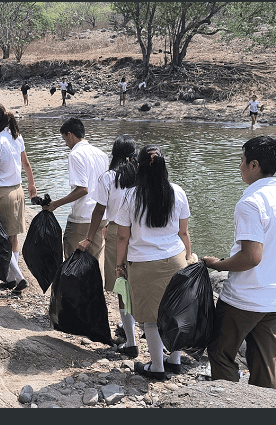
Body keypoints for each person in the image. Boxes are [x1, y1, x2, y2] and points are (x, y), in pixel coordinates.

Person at [202, 136, 276, 389]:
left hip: (245, 296)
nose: (240, 166)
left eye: (242, 161)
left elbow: (251, 257)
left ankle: (233, 403)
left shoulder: (250, 203)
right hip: (275, 296)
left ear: (254, 164)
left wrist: (218, 264)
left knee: (219, 351)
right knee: (264, 360)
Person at [114, 144, 197, 380]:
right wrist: (189, 257)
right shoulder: (177, 192)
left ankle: (157, 367)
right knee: (176, 313)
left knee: (150, 318)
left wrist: (120, 266)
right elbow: (184, 233)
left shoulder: (131, 196)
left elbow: (122, 236)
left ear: (139, 167)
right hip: (176, 260)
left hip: (143, 264)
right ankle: (175, 360)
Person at [76, 135, 138, 349]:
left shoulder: (108, 178)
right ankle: (137, 328)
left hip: (116, 233)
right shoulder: (142, 176)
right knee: (138, 283)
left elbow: (99, 209)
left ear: (115, 154)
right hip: (141, 234)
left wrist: (89, 237)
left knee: (121, 286)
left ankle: (131, 342)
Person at [0, 102, 38, 294]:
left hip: (3, 195)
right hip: (18, 191)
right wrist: (31, 184)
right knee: (12, 237)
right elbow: (26, 163)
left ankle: (19, 278)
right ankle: (11, 278)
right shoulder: (16, 136)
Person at [42, 118, 109, 275]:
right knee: (92, 264)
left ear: (70, 135)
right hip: (101, 217)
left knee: (72, 264)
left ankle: (74, 298)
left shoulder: (75, 154)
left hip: (82, 218)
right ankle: (91, 298)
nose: (66, 143)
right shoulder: (102, 155)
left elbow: (83, 189)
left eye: (65, 139)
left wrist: (56, 204)